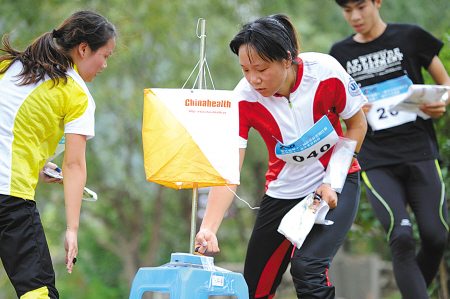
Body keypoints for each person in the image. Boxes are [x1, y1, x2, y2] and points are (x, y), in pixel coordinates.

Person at [195, 14, 367, 298]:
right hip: (283, 194)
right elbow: (229, 171)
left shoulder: (325, 71)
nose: (253, 79)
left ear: (287, 59)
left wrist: (332, 181)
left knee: (307, 269)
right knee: (252, 289)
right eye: (245, 70)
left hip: (337, 183)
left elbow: (358, 125)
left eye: (261, 68)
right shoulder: (242, 99)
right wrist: (209, 228)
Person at [329, 0, 450, 298]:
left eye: (361, 7)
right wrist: (354, 109)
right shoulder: (338, 55)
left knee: (437, 236)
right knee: (401, 236)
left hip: (419, 150)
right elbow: (333, 110)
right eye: (347, 10)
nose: (355, 16)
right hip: (375, 158)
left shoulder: (410, 36)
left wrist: (441, 103)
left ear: (377, 2)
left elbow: (445, 84)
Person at [0, 10, 116, 299]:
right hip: (9, 196)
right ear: (84, 49)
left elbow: (13, 127)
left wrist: (39, 167)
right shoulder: (76, 93)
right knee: (38, 291)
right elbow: (74, 164)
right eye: (105, 55)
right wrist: (72, 230)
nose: (105, 65)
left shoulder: (12, 67)